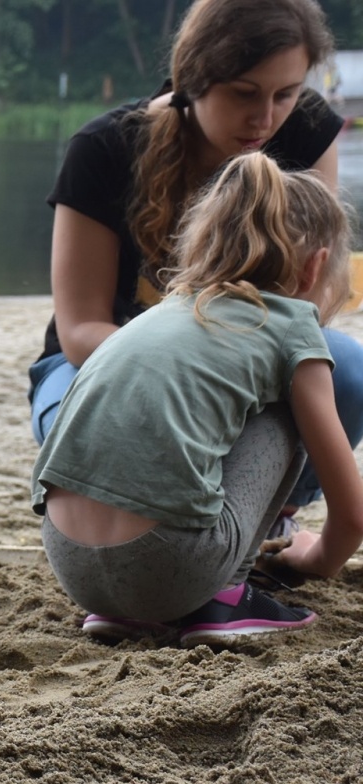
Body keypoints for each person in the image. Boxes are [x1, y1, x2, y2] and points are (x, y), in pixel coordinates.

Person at [28, 0, 363, 530]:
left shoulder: (308, 130)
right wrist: (193, 367)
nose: (266, 118)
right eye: (244, 93)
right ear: (193, 78)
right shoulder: (102, 149)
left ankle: (271, 518)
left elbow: (311, 306)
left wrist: (229, 370)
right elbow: (80, 331)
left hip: (249, 363)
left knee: (348, 370)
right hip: (102, 364)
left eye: (286, 94)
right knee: (108, 426)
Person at [31, 152, 363, 647]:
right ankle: (227, 596)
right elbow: (352, 515)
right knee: (290, 408)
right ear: (315, 267)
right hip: (172, 567)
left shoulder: (160, 315)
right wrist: (314, 558)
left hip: (72, 566)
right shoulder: (291, 325)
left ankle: (134, 610)